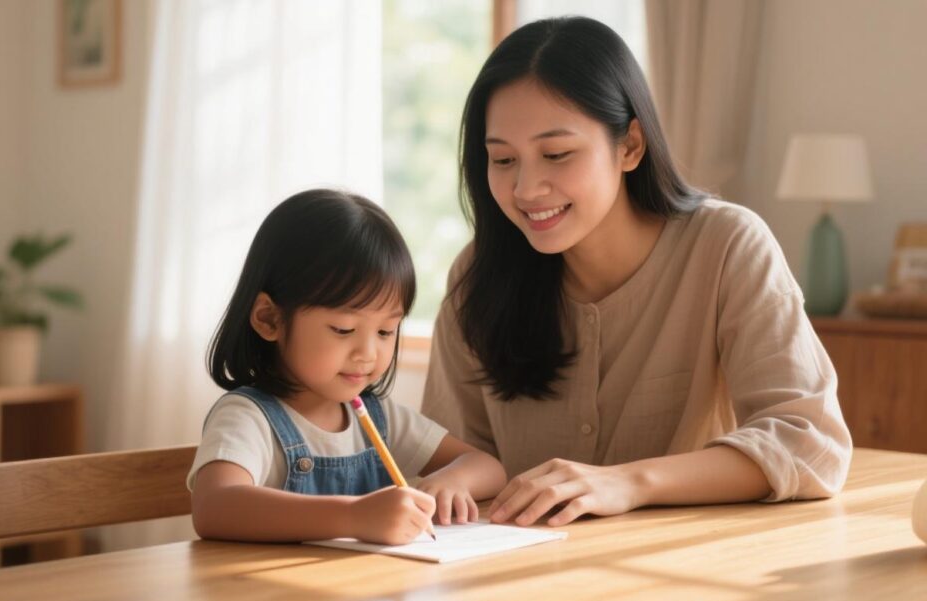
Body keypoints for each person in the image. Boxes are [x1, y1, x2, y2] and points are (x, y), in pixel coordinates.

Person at [422, 17, 852, 528]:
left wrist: (629, 482)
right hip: (516, 567)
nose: (526, 188)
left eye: (556, 154)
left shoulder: (727, 247)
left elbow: (810, 443)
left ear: (630, 146)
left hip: (679, 565)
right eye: (502, 160)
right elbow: (446, 457)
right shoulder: (479, 274)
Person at [189, 189, 507, 546]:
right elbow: (214, 507)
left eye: (386, 331)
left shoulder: (378, 418)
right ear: (269, 319)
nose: (368, 353)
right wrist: (353, 516)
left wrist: (451, 481)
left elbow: (488, 466)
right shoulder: (247, 417)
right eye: (343, 329)